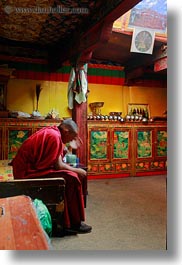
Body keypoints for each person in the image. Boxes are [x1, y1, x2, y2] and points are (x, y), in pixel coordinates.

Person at [10, 118, 92, 234]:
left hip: (29, 168)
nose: (71, 140)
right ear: (66, 131)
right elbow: (58, 165)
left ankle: (70, 221)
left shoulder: (55, 133)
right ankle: (73, 223)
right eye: (72, 137)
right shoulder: (54, 136)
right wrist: (77, 170)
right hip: (27, 172)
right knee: (72, 177)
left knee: (70, 175)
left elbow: (56, 159)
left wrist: (67, 148)